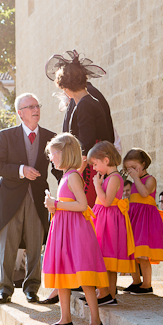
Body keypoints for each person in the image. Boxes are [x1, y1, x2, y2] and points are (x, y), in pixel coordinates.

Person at [0, 93, 58, 305]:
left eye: (37, 105)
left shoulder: (50, 136)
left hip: (38, 198)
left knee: (35, 244)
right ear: (20, 113)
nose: (35, 109)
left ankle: (32, 288)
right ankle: (5, 289)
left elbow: (59, 168)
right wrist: (21, 170)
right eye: (30, 107)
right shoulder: (6, 136)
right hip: (11, 199)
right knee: (8, 244)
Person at [42, 133, 109, 325]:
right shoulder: (65, 176)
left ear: (64, 152)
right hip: (64, 229)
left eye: (53, 153)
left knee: (84, 274)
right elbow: (69, 204)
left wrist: (56, 204)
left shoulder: (72, 176)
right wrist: (54, 206)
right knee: (63, 273)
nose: (51, 157)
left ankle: (96, 321)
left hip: (75, 231)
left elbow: (82, 205)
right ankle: (65, 319)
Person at [49, 51, 115, 208]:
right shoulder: (88, 102)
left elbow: (86, 145)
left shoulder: (85, 105)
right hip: (93, 165)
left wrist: (75, 176)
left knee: (87, 212)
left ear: (66, 87)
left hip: (89, 170)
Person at [88, 141, 135, 305]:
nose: (94, 168)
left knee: (105, 256)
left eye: (95, 163)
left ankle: (107, 293)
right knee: (106, 258)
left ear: (106, 160)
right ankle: (108, 294)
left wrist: (96, 186)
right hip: (104, 219)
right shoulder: (110, 177)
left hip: (109, 222)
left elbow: (107, 201)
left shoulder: (114, 178)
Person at [123, 149, 163, 295]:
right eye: (129, 169)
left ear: (143, 163)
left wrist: (135, 178)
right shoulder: (134, 181)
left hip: (146, 220)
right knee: (132, 251)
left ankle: (147, 284)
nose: (132, 171)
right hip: (134, 217)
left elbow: (144, 193)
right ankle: (136, 281)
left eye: (135, 168)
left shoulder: (150, 179)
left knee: (142, 253)